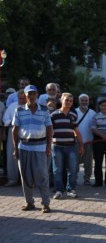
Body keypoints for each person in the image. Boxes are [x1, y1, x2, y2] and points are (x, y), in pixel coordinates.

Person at [12, 85, 53, 213]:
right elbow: (15, 130)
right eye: (29, 94)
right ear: (25, 95)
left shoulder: (45, 110)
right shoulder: (19, 110)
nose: (31, 96)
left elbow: (49, 129)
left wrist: (48, 147)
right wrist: (15, 148)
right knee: (25, 177)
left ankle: (45, 204)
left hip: (41, 147)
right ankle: (29, 202)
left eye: (34, 93)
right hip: (24, 147)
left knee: (42, 177)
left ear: (37, 95)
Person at [51, 93, 84, 199]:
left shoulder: (73, 115)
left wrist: (81, 145)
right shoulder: (53, 115)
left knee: (73, 169)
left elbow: (77, 131)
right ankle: (59, 190)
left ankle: (71, 189)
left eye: (70, 100)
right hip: (57, 146)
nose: (69, 102)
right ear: (61, 100)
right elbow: (49, 131)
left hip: (71, 146)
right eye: (66, 100)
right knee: (57, 170)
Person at [3, 90, 27, 187]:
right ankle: (12, 179)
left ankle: (26, 180)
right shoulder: (12, 106)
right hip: (13, 130)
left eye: (23, 98)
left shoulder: (31, 106)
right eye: (20, 98)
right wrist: (13, 122)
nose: (22, 100)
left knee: (26, 156)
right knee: (12, 155)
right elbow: (5, 118)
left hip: (27, 132)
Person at [91, 99, 106, 187]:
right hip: (98, 140)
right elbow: (93, 128)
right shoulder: (95, 116)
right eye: (102, 105)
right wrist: (103, 136)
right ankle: (98, 182)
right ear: (99, 106)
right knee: (98, 162)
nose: (104, 107)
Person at [75, 93, 96, 186]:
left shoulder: (93, 113)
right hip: (76, 142)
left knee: (88, 163)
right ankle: (73, 179)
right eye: (82, 100)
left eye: (86, 100)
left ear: (88, 101)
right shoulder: (74, 112)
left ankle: (87, 179)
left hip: (89, 141)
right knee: (74, 162)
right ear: (79, 101)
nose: (84, 102)